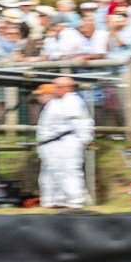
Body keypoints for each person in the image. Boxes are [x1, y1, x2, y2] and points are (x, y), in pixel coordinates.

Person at [35, 75, 92, 209]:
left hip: (67, 141)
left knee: (69, 171)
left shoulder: (73, 101)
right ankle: (55, 200)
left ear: (67, 88)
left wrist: (84, 140)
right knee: (52, 172)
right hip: (51, 143)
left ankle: (75, 201)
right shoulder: (54, 102)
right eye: (55, 86)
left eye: (58, 87)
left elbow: (82, 123)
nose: (55, 89)